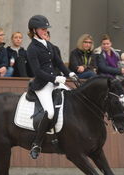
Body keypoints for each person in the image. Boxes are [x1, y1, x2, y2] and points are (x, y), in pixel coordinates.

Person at [26, 15, 77, 159]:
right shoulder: (32, 49)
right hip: (43, 85)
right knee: (49, 112)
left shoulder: (49, 45)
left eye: (46, 29)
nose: (45, 31)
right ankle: (37, 143)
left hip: (56, 82)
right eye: (43, 29)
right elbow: (37, 72)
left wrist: (70, 73)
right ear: (34, 30)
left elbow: (59, 63)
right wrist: (55, 77)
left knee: (73, 101)